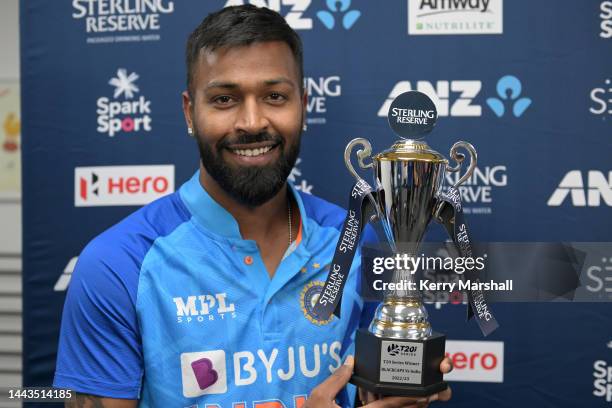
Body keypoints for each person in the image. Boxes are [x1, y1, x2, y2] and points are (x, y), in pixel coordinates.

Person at [53, 5, 452, 407]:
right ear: (190, 112)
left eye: (274, 96)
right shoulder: (116, 265)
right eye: (224, 99)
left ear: (304, 104)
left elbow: (371, 389)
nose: (252, 121)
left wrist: (395, 394)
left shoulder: (354, 242)